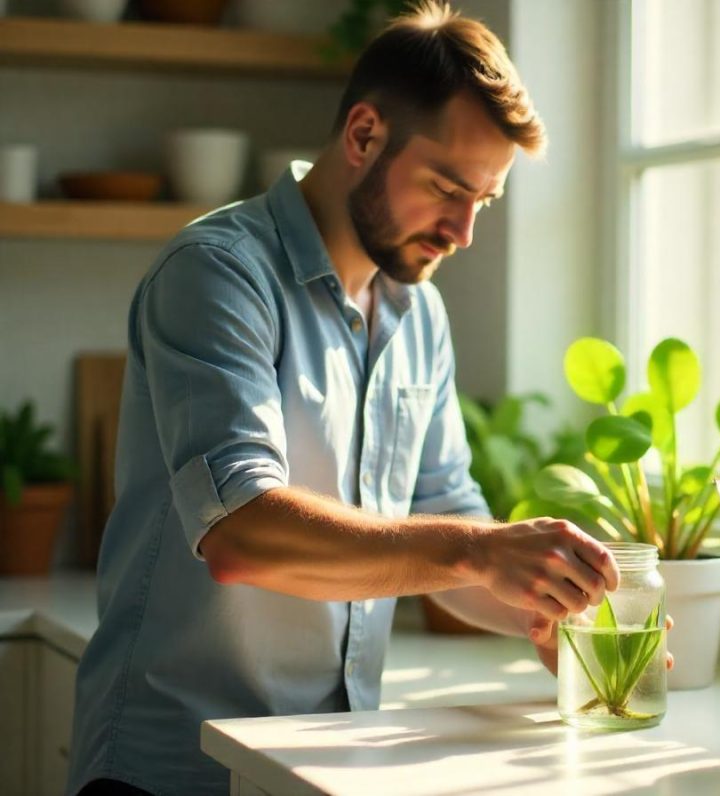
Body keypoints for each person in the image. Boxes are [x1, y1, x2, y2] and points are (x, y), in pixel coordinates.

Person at [66, 3, 623, 794]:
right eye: (445, 187)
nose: (463, 231)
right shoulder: (218, 273)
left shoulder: (417, 312)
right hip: (170, 772)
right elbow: (240, 532)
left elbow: (449, 527)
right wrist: (477, 549)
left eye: (484, 202)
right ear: (363, 135)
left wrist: (545, 609)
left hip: (319, 766)